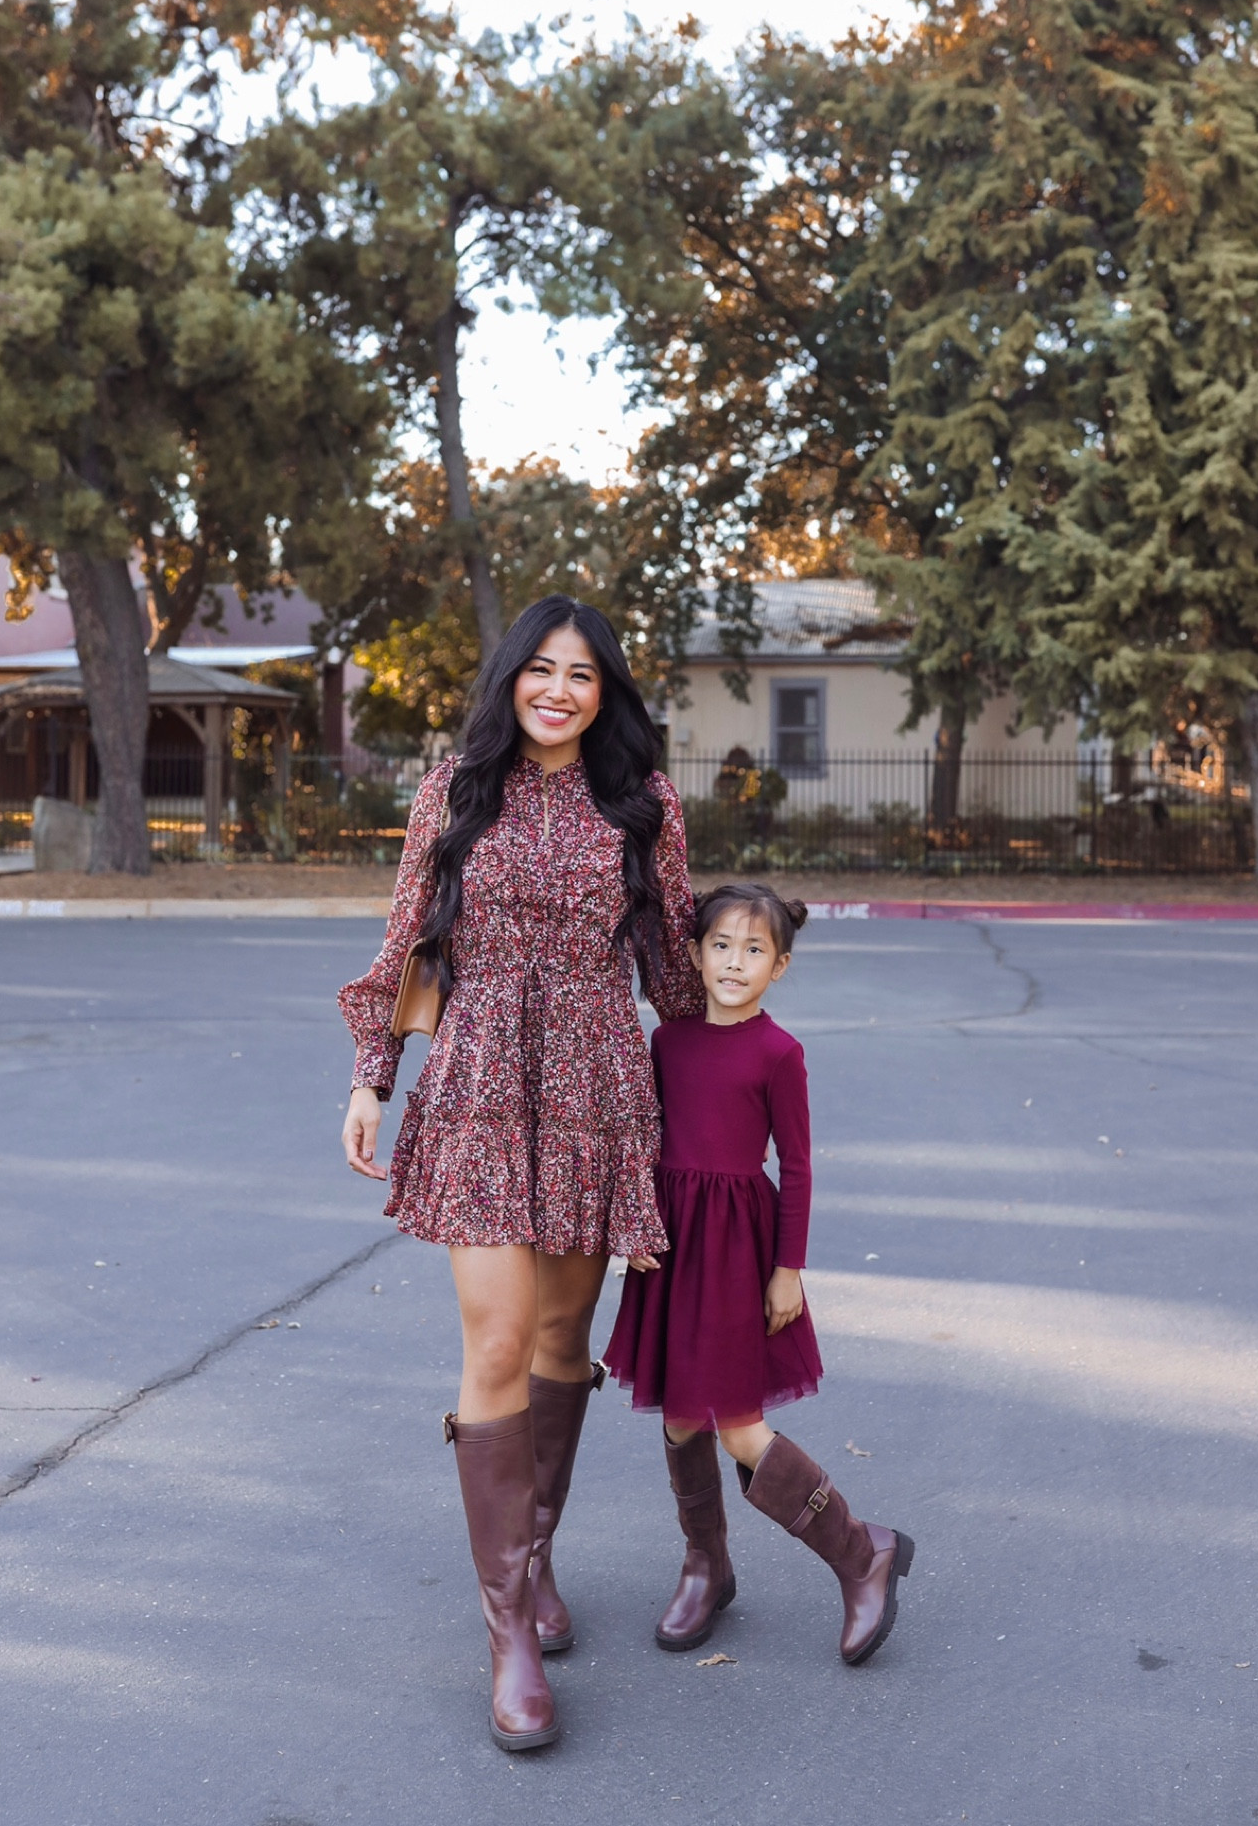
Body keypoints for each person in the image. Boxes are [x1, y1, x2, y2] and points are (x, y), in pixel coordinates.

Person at [337, 595, 702, 1753]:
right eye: (540, 669)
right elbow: (407, 940)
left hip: (596, 1089)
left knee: (560, 1343)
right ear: (510, 680)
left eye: (582, 675)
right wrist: (370, 1076)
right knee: (494, 1342)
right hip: (483, 1081)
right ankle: (508, 1632)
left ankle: (536, 1553)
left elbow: (674, 965)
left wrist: (724, 1096)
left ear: (607, 695)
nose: (558, 689)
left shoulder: (642, 804)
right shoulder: (454, 791)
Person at [604, 880, 914, 1667]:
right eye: (720, 945)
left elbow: (799, 1166)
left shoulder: (778, 1052)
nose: (733, 961)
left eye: (753, 949)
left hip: (739, 1251)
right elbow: (645, 1138)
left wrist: (788, 1269)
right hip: (672, 1244)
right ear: (695, 952)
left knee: (737, 1422)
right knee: (679, 1417)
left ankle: (857, 1552)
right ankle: (706, 1565)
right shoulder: (668, 1041)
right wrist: (633, 1222)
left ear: (778, 964)